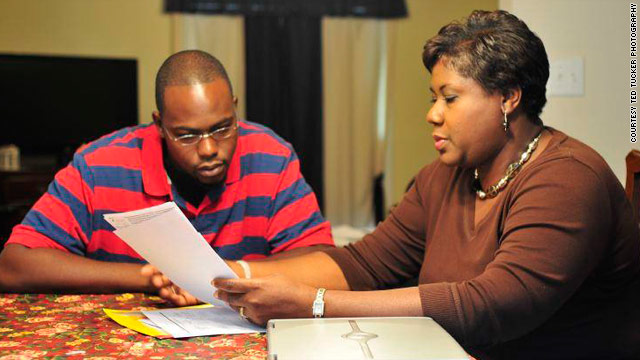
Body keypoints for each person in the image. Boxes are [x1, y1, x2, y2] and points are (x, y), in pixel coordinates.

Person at [145, 10, 640, 359]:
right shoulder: (443, 178)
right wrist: (236, 274)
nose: (432, 114)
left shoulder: (568, 178)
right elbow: (363, 263)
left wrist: (315, 305)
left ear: (509, 97)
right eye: (433, 97)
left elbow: (493, 305)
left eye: (449, 98)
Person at [0, 50, 333, 294]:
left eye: (222, 128)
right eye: (186, 135)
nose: (208, 149)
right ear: (159, 125)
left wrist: (230, 276)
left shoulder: (272, 157)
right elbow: (14, 265)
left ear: (234, 107)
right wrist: (150, 277)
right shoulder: (97, 165)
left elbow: (322, 261)